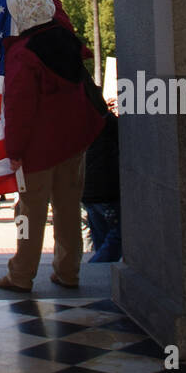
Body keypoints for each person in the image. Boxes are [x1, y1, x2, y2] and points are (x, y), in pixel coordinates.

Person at [0, 0, 104, 294]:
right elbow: (52, 0)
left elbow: (19, 111)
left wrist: (14, 153)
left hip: (38, 151)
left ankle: (21, 274)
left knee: (29, 213)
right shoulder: (65, 33)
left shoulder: (23, 56)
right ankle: (68, 271)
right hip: (75, 143)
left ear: (23, 20)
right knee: (69, 208)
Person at [82, 101, 122, 262]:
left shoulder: (82, 125)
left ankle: (99, 270)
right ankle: (94, 267)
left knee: (102, 239)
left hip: (89, 192)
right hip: (107, 191)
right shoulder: (107, 123)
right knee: (117, 237)